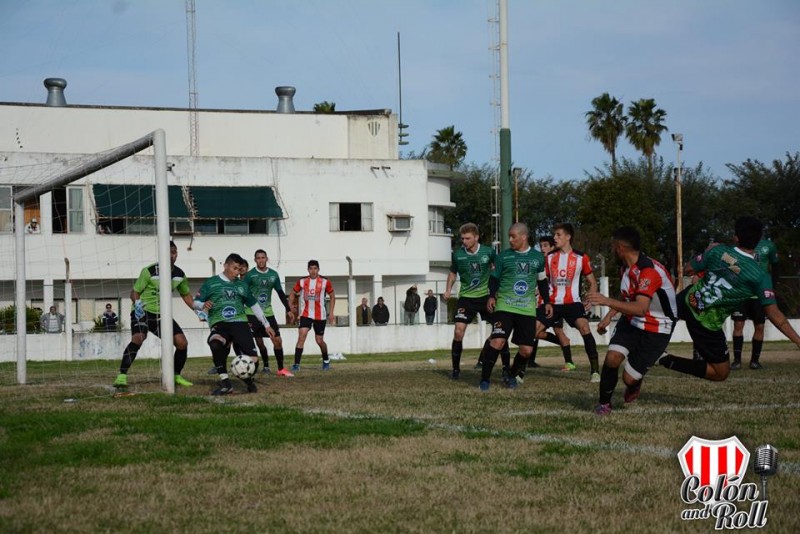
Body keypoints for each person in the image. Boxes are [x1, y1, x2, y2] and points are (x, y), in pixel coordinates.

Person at [659, 217, 800, 382]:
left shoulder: (718, 251)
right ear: (759, 240)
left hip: (688, 300)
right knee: (721, 373)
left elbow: (688, 269)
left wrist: (707, 252)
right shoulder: (760, 276)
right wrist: (798, 341)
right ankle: (666, 360)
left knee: (659, 315)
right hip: (705, 321)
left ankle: (646, 349)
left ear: (736, 237)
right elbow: (775, 315)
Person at [585, 227, 677, 416]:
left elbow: (641, 308)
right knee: (612, 358)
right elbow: (627, 296)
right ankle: (604, 404)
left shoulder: (648, 271)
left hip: (658, 327)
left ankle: (635, 382)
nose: (611, 251)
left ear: (620, 248)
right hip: (632, 321)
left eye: (612, 247)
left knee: (629, 379)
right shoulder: (626, 268)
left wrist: (606, 300)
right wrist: (608, 316)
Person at [113, 241, 197, 389]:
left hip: (162, 315)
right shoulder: (149, 271)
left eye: (174, 252)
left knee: (182, 343)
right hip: (143, 312)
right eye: (169, 252)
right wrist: (137, 304)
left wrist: (198, 310)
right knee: (139, 338)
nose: (172, 255)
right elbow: (134, 292)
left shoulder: (179, 275)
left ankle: (176, 375)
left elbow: (186, 295)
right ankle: (122, 375)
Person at [480, 222, 550, 391]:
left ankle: (511, 375)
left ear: (524, 237)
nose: (510, 240)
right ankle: (485, 380)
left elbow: (542, 281)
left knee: (526, 350)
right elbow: (494, 278)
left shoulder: (538, 257)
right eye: (509, 236)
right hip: (505, 306)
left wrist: (547, 301)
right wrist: (491, 296)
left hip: (526, 309)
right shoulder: (503, 257)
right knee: (497, 341)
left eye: (513, 236)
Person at [195, 253, 275, 395]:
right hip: (220, 323)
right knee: (215, 344)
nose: (237, 272)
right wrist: (202, 305)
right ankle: (225, 383)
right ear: (226, 266)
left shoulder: (242, 286)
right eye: (234, 268)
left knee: (254, 360)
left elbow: (254, 305)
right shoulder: (211, 282)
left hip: (240, 323)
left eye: (239, 269)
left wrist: (266, 324)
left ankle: (247, 380)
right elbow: (196, 301)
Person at [543, 223, 601, 382]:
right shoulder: (549, 257)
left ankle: (595, 371)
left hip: (573, 303)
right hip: (553, 303)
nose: (554, 238)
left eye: (558, 235)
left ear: (568, 237)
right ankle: (519, 373)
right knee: (533, 331)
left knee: (584, 328)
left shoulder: (581, 257)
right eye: (554, 234)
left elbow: (592, 282)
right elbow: (545, 281)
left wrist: (590, 296)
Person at [443, 222, 502, 379]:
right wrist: (448, 289)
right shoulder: (458, 255)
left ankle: (505, 369)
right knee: (458, 331)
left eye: (467, 238)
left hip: (485, 297)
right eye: (462, 238)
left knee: (499, 331)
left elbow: (499, 268)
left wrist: (497, 290)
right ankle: (456, 370)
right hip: (466, 299)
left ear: (476, 237)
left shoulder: (488, 252)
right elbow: (453, 273)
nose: (464, 241)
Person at [242, 249, 295, 377]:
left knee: (277, 341)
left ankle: (281, 369)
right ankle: (251, 368)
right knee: (252, 342)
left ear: (267, 259)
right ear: (255, 260)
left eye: (263, 257)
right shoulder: (250, 275)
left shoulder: (273, 275)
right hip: (251, 313)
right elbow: (241, 292)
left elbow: (281, 294)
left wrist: (288, 309)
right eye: (258, 258)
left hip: (268, 313)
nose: (261, 260)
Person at [730, 235, 779, 370]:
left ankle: (755, 361)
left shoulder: (768, 245)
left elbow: (775, 266)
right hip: (741, 293)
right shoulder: (737, 245)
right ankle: (737, 361)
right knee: (738, 324)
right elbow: (729, 263)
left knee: (760, 326)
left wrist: (772, 286)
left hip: (759, 294)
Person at [526, 235, 570, 371]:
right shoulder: (540, 263)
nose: (543, 248)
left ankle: (569, 362)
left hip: (555, 303)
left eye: (546, 246)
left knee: (558, 331)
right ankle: (564, 344)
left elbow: (562, 281)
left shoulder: (556, 262)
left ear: (553, 247)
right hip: (542, 304)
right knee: (536, 332)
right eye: (541, 246)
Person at [289, 259, 336, 371]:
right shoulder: (302, 281)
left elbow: (333, 296)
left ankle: (326, 360)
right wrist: (291, 306)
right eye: (311, 269)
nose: (313, 271)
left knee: (319, 340)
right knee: (302, 336)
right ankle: (296, 364)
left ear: (318, 269)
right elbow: (292, 294)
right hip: (306, 314)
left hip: (320, 315)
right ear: (308, 270)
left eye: (315, 268)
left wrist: (331, 313)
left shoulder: (325, 282)